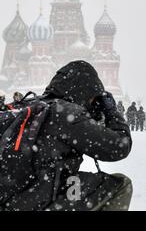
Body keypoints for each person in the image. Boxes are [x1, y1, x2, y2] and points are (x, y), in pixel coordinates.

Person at [0, 60, 133, 211]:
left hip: (9, 196)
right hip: (35, 200)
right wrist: (111, 111)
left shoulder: (27, 105)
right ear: (86, 90)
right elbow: (120, 146)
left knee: (70, 179)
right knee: (121, 184)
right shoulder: (66, 113)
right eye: (93, 98)